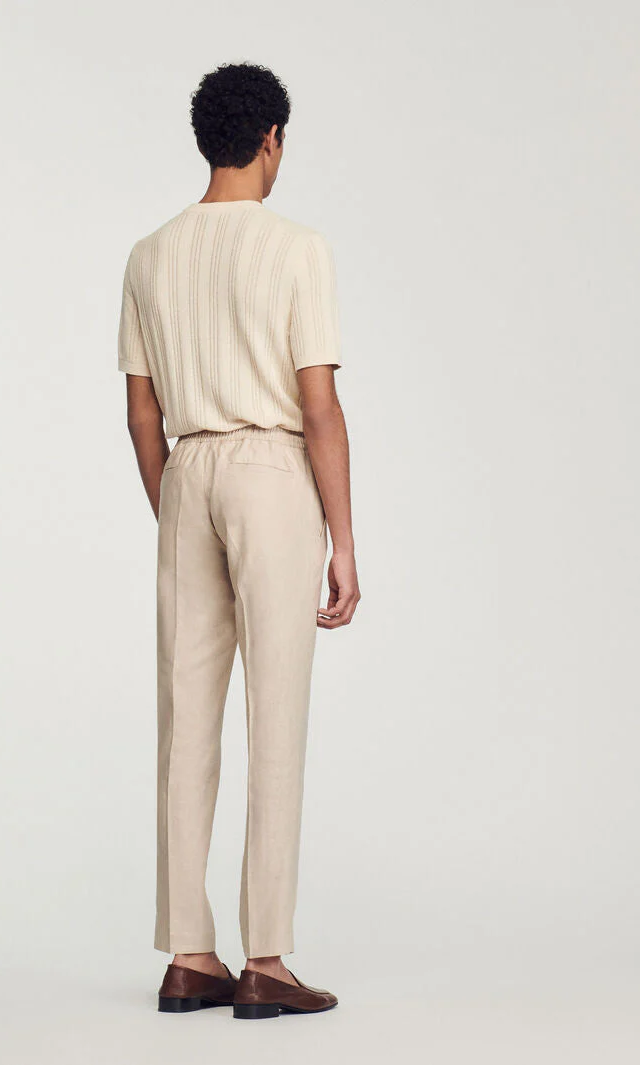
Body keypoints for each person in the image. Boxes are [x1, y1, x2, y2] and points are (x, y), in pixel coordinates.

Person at [118, 61, 360, 1020]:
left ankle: (189, 954)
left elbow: (142, 413)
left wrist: (176, 507)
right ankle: (266, 960)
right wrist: (344, 540)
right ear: (271, 140)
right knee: (275, 712)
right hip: (270, 470)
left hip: (188, 471)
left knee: (185, 720)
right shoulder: (298, 248)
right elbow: (320, 405)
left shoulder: (149, 254)